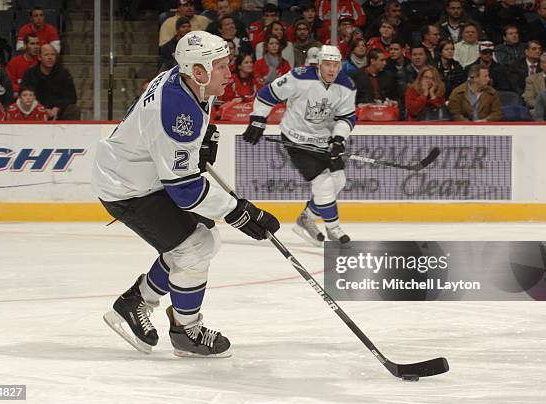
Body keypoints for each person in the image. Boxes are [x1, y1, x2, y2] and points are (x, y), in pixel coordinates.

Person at [92, 31, 280, 357]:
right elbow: (185, 190)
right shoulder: (177, 111)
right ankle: (186, 332)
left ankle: (135, 302)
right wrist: (240, 211)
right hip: (128, 188)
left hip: (143, 175)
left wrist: (203, 136)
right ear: (198, 71)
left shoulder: (184, 80)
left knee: (203, 238)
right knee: (194, 248)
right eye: (221, 67)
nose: (229, 74)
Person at [242, 45, 356, 246]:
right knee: (323, 184)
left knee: (338, 180)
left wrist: (338, 139)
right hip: (296, 140)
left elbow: (346, 117)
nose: (331, 69)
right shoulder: (299, 77)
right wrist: (258, 120)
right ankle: (334, 228)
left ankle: (306, 218)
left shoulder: (346, 85)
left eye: (335, 65)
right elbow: (268, 93)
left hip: (323, 141)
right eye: (327, 65)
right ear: (318, 64)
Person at [21, 44, 79, 120]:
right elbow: (24, 95)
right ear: (39, 57)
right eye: (46, 55)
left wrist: (58, 108)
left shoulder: (63, 73)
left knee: (73, 109)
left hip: (58, 111)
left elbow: (71, 97)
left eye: (52, 54)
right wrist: (41, 109)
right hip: (35, 110)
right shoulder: (30, 74)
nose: (50, 57)